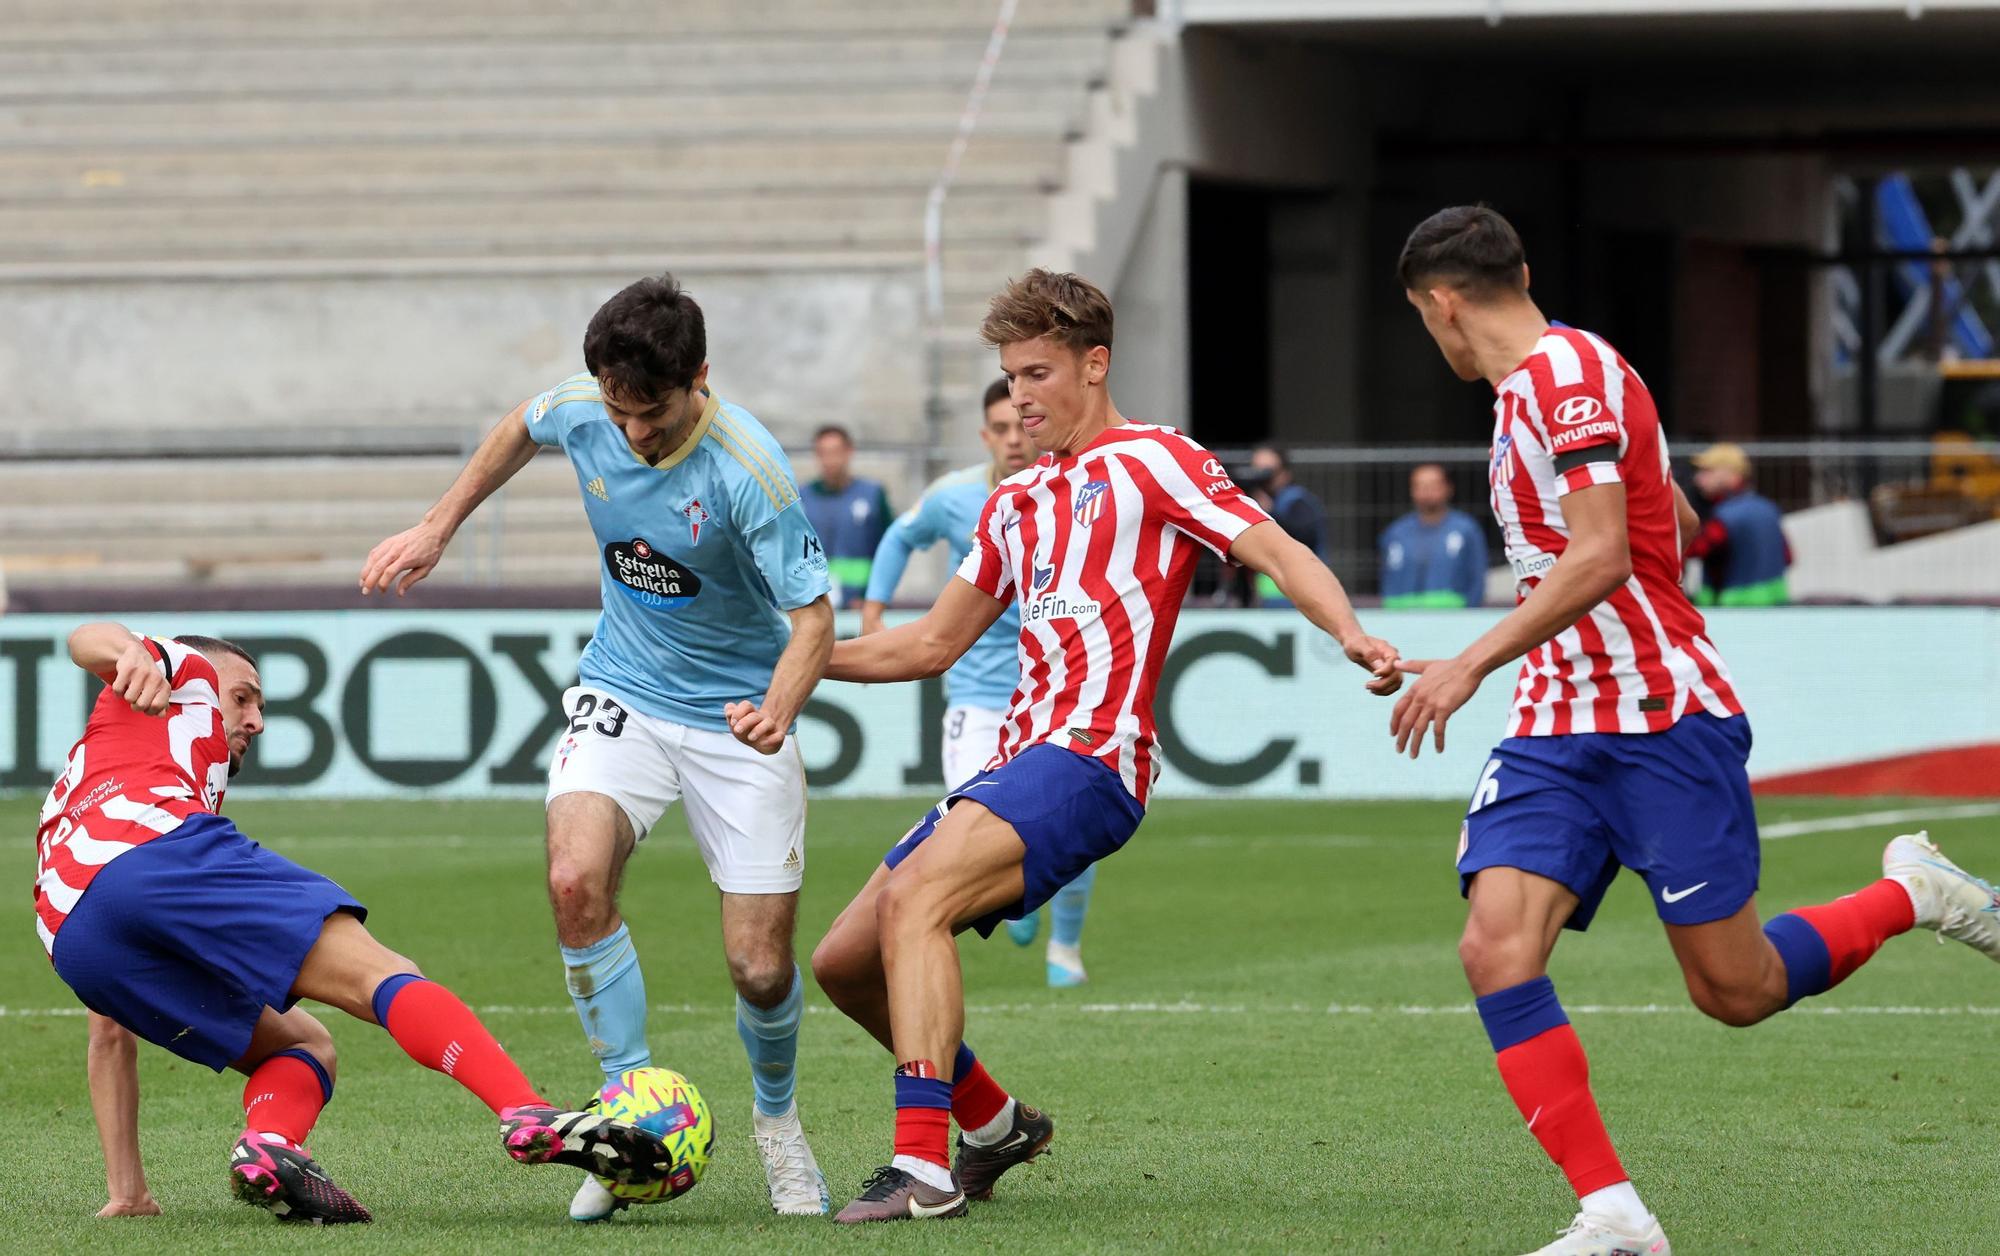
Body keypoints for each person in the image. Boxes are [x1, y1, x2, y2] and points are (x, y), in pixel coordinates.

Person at [1391, 204, 2000, 1256]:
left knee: (1736, 988)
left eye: (1421, 318)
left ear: (1439, 302)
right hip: (1552, 725)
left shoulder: (1561, 378)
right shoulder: (1536, 388)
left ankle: (1912, 891)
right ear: (1516, 271)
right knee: (1494, 945)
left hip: (1657, 718)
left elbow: (1604, 556)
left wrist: (1466, 659)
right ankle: (1612, 1213)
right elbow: (1661, 516)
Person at [809, 268, 1403, 1223]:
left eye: (1037, 373)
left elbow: (1276, 549)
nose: (1020, 397)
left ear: (1095, 365)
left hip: (1095, 756)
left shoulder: (1158, 460)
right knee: (842, 962)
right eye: (1008, 378)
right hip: (1018, 759)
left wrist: (1350, 633)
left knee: (915, 899)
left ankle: (921, 1168)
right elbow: (929, 643)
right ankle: (996, 1125)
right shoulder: (1015, 501)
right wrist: (800, 664)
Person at [359, 274, 836, 1221]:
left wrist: (779, 708)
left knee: (760, 968)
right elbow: (519, 426)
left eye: (651, 414)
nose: (632, 434)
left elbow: (815, 619)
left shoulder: (751, 472)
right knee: (575, 881)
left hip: (738, 719)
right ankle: (626, 1114)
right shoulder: (589, 408)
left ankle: (779, 1129)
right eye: (618, 412)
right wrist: (438, 523)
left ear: (699, 378)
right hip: (622, 688)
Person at [40, 625, 672, 1224]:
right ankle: (523, 1109)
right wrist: (132, 652)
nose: (255, 719)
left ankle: (269, 1145)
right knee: (383, 975)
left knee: (303, 1045)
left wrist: (128, 1191)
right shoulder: (183, 669)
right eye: (244, 698)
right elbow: (86, 638)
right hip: (158, 854)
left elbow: (108, 1032)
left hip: (71, 933)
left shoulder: (92, 777)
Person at [859, 379, 1095, 987]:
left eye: (1022, 424)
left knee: (1075, 823)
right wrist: (874, 608)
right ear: (987, 434)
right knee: (973, 822)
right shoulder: (956, 497)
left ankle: (1064, 949)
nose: (1015, 438)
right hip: (978, 698)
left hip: (1054, 695)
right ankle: (1009, 898)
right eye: (1002, 427)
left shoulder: (1071, 492)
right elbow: (899, 537)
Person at [1687, 442, 1791, 606]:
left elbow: (1693, 549)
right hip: (1775, 603)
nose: (1698, 478)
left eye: (1708, 471)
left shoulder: (1723, 517)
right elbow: (1788, 557)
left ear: (1733, 475)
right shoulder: (1768, 507)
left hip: (1731, 608)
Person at [802, 424, 893, 607]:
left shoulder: (872, 494)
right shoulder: (802, 498)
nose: (830, 460)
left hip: (860, 600)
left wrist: (872, 595)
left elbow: (889, 548)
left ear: (849, 452)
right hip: (815, 599)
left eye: (835, 452)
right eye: (823, 453)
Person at [1379, 462, 1488, 607]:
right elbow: (1386, 577)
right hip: (1403, 614)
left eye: (1433, 486)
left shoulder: (1466, 529)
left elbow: (1477, 576)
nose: (1427, 492)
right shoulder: (1396, 532)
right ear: (1412, 490)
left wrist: (1471, 610)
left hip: (1454, 615)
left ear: (1448, 488)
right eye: (1420, 486)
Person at [1244, 445, 1329, 607]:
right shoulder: (1258, 502)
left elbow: (1304, 536)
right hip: (1273, 595)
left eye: (1268, 471)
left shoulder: (1296, 501)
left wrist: (1270, 513)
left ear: (1285, 474)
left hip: (1300, 593)